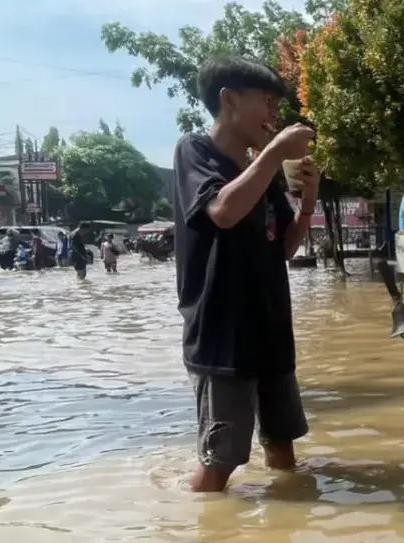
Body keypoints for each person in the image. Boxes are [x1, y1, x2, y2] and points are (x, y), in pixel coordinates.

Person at [174, 56, 319, 492]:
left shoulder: (263, 173)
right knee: (220, 466)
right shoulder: (194, 151)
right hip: (223, 338)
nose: (274, 114)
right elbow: (221, 211)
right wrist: (274, 153)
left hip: (271, 330)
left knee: (283, 452)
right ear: (229, 100)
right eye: (266, 101)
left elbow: (285, 248)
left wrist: (308, 202)